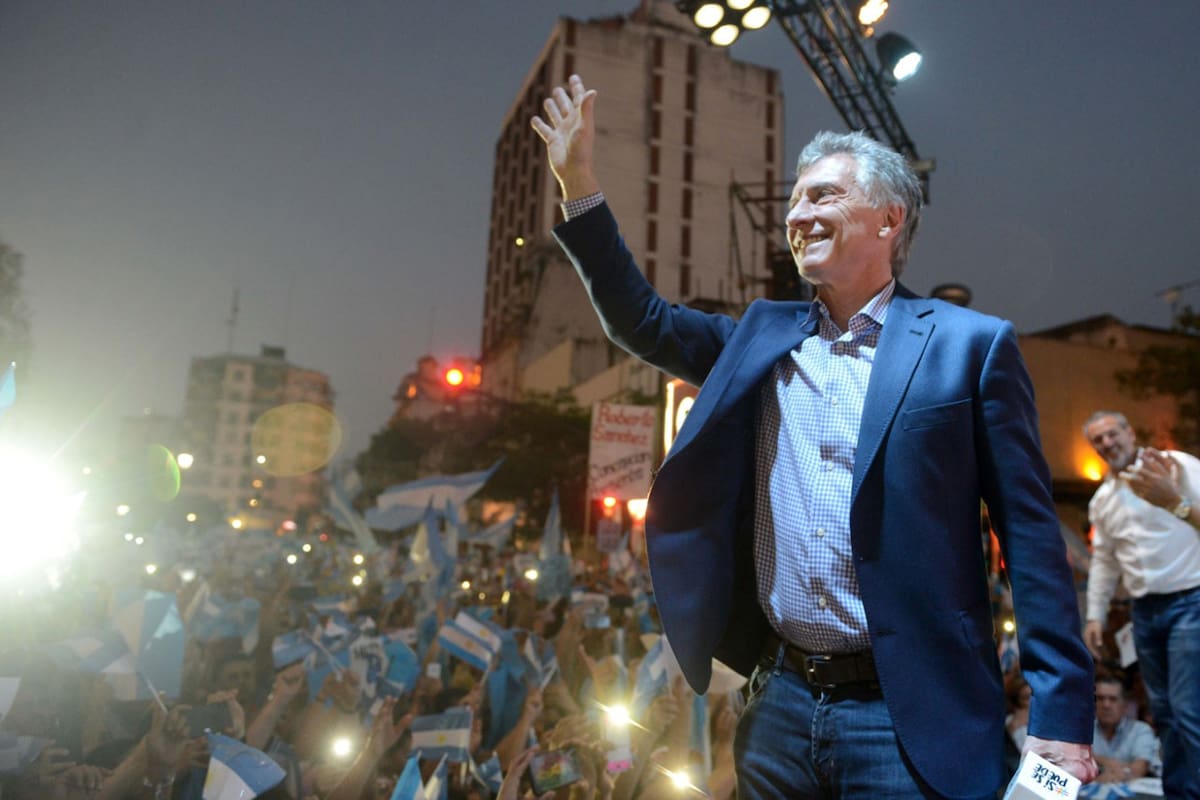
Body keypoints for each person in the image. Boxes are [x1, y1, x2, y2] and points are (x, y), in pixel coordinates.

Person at [531, 74, 1097, 797]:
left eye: (822, 196)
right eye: (794, 202)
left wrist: (1061, 720)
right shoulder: (762, 336)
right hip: (781, 705)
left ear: (889, 219)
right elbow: (640, 320)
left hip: (911, 717)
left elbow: (1032, 540)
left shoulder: (970, 346)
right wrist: (578, 183)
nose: (798, 214)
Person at [1082, 410, 1200, 797]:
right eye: (1097, 440)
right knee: (1162, 712)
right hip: (1143, 612)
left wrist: (1175, 499)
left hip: (1191, 599)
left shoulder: (1176, 466)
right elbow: (1104, 562)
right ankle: (1180, 793)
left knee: (1188, 708)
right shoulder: (1103, 500)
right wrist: (1095, 616)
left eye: (1112, 433)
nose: (1107, 443)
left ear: (1130, 432)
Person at [1091, 675, 1160, 784]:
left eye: (1113, 699)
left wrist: (1095, 759)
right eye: (1100, 698)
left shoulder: (1140, 730)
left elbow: (1138, 769)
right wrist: (1110, 765)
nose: (1106, 705)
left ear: (1125, 704)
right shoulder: (1082, 729)